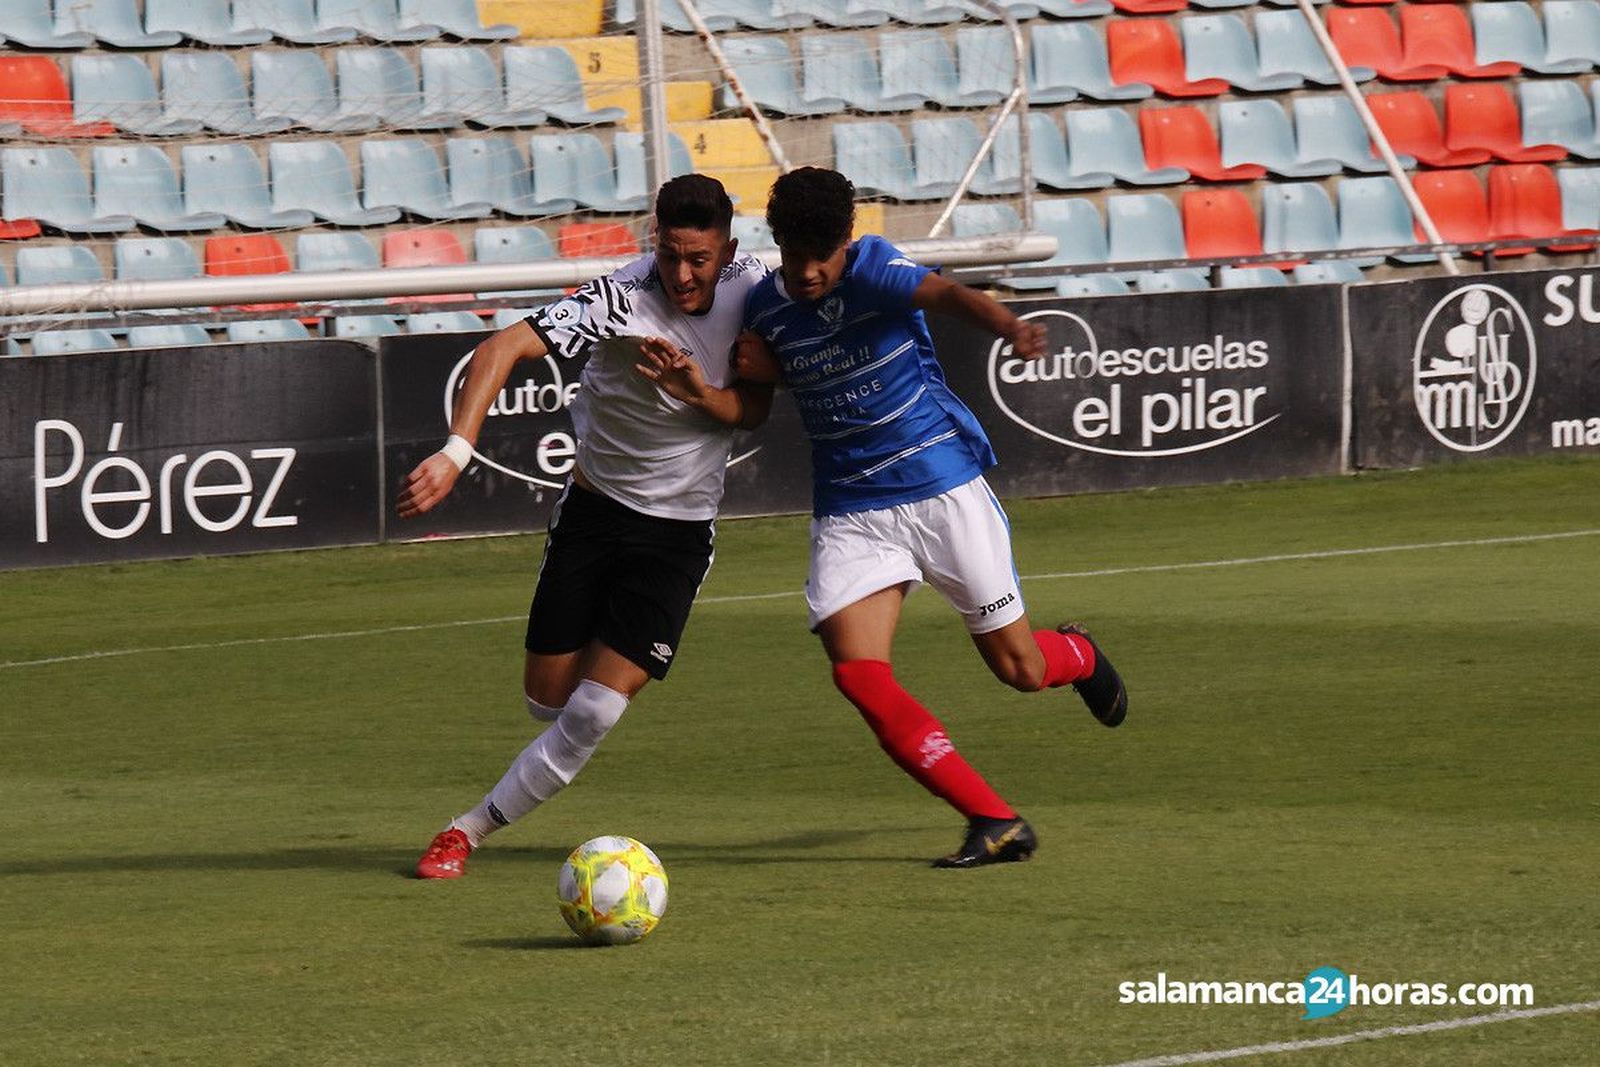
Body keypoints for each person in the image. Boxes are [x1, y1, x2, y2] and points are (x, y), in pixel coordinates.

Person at [640, 167, 1128, 869]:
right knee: (857, 671)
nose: (807, 272)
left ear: (847, 242)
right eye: (795, 255)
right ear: (777, 242)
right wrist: (709, 388)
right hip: (852, 510)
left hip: (940, 487)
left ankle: (1076, 654)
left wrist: (1010, 325)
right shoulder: (764, 310)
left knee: (1019, 667)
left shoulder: (876, 268)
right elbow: (748, 409)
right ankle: (994, 819)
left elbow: (950, 294)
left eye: (822, 256)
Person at [398, 174, 772, 879]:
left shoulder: (760, 290)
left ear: (727, 251)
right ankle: (594, 677)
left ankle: (464, 831)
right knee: (548, 701)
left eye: (699, 259)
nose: (683, 274)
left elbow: (752, 412)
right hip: (594, 514)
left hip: (677, 534)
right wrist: (455, 453)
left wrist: (698, 389)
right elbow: (501, 348)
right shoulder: (618, 297)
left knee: (595, 710)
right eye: (670, 256)